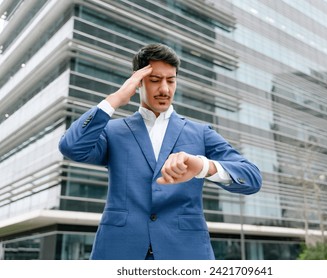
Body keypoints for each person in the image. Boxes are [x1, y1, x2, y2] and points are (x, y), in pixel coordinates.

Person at [59, 43, 262, 260]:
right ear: (137, 82)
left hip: (185, 253)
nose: (165, 89)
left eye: (171, 80)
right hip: (119, 251)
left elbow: (252, 178)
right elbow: (71, 147)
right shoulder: (113, 131)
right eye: (155, 80)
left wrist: (203, 167)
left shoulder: (200, 133)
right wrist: (115, 99)